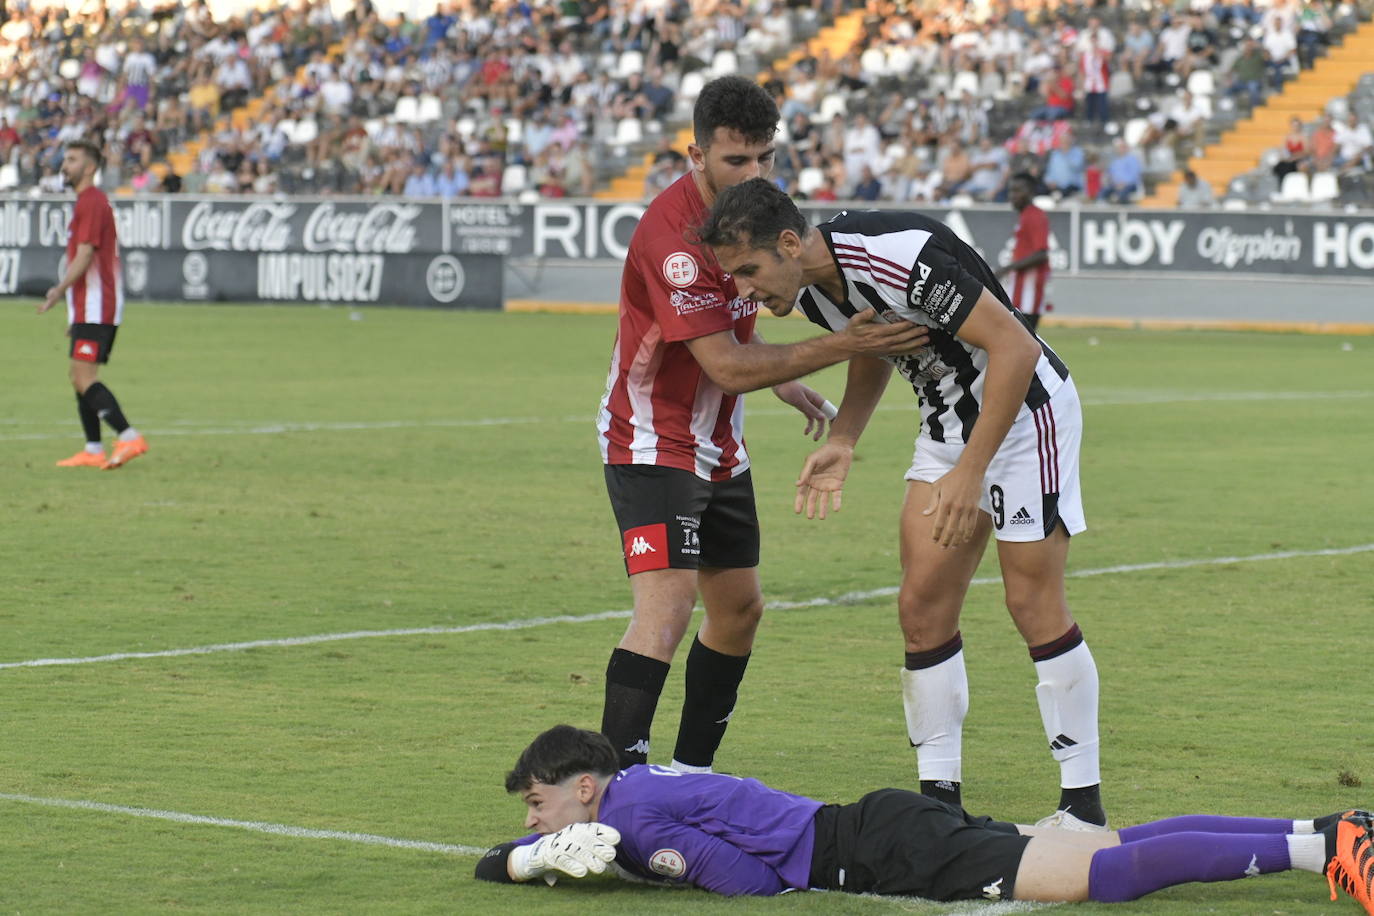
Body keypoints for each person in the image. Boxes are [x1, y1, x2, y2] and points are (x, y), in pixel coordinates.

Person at [695, 178, 1107, 828]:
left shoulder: (898, 256)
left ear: (790, 243)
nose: (744, 290)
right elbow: (873, 346)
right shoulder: (808, 289)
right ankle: (940, 811)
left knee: (1031, 602)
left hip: (1027, 416)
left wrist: (971, 472)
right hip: (947, 429)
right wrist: (844, 439)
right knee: (921, 609)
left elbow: (1017, 347)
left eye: (748, 271)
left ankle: (1082, 807)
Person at [594, 78, 927, 774]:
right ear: (697, 156)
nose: (754, 174)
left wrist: (784, 376)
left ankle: (689, 776)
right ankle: (614, 790)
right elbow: (723, 364)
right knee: (667, 609)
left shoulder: (750, 215)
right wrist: (841, 345)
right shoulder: (672, 238)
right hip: (653, 438)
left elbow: (737, 322)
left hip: (720, 443)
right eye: (736, 160)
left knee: (740, 611)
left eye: (765, 158)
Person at [475, 725, 1374, 913]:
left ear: (584, 788)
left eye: (539, 805)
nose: (536, 821)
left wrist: (639, 866)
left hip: (877, 847)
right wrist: (519, 860)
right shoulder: (635, 785)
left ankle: (1326, 847)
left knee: (1100, 876)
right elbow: (503, 855)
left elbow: (751, 883)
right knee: (1108, 842)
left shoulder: (634, 822)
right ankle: (1323, 828)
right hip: (876, 821)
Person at [37, 140, 148, 470]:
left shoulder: (92, 201)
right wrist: (74, 310)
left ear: (89, 168)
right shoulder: (87, 201)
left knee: (84, 377)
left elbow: (85, 254)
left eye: (72, 160)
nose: (65, 165)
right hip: (88, 306)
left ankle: (129, 437)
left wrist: (59, 290)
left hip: (98, 305)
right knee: (78, 374)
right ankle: (93, 448)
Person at [997, 174, 1051, 332]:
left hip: (1028, 293)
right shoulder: (1026, 215)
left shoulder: (1034, 216)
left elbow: (1041, 254)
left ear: (1031, 192)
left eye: (1017, 191)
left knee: (1021, 340)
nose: (1012, 196)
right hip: (1021, 291)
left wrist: (1007, 268)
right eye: (1011, 191)